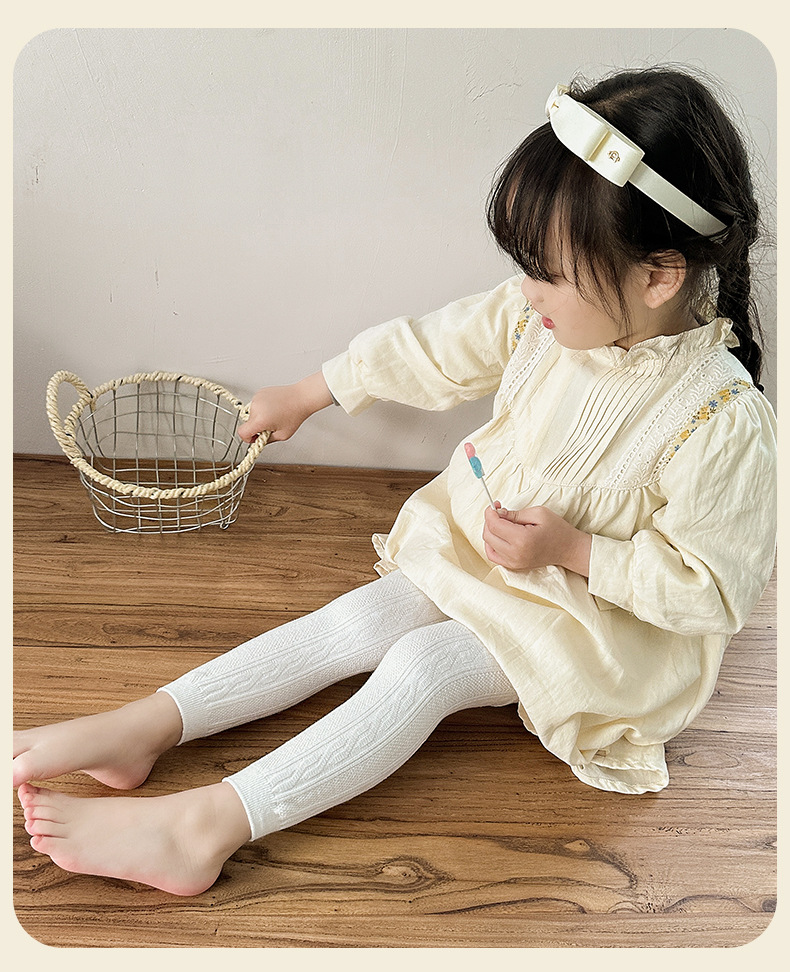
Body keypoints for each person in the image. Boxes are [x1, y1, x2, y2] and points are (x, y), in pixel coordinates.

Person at [14, 67, 777, 897]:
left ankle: (202, 828)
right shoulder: (539, 316)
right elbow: (431, 347)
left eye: (548, 272)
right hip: (493, 557)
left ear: (659, 276)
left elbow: (713, 593)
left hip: (595, 627)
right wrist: (312, 391)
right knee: (360, 618)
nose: (527, 291)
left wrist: (575, 549)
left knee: (425, 667)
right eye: (525, 266)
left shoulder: (719, 419)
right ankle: (147, 726)